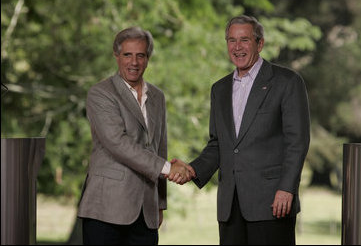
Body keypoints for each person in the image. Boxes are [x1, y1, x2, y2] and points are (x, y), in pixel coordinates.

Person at [173, 15, 310, 245]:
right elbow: (218, 144)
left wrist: (287, 188)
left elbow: (297, 142)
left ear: (260, 43)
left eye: (244, 40)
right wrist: (193, 170)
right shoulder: (219, 89)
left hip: (272, 202)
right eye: (231, 40)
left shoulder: (287, 82)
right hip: (230, 206)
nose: (237, 47)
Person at [77, 26, 191, 245]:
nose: (134, 62)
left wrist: (159, 203)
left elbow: (160, 147)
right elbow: (117, 143)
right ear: (116, 56)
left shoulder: (157, 96)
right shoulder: (101, 93)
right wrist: (168, 168)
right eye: (127, 55)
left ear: (147, 58)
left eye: (140, 55)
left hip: (146, 211)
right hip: (106, 209)